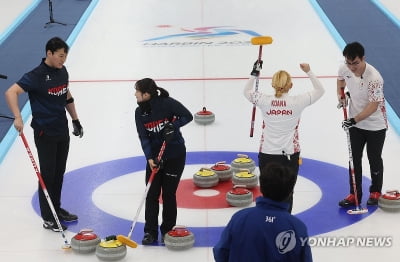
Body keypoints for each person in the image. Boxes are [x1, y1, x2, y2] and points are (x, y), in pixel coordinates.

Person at [4, 36, 83, 231]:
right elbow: (11, 92)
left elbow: (66, 95)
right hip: (44, 131)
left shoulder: (62, 71)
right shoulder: (37, 75)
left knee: (59, 172)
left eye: (65, 56)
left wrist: (75, 119)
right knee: (47, 174)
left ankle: (56, 208)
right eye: (60, 56)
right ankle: (48, 218)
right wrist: (17, 117)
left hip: (61, 129)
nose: (63, 60)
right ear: (49, 53)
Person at [244, 61, 324, 213]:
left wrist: (254, 73)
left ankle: (267, 224)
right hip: (289, 155)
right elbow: (320, 90)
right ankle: (284, 226)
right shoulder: (297, 101)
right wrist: (309, 71)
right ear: (291, 85)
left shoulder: (264, 100)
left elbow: (246, 91)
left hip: (267, 154)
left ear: (273, 85)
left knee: (267, 195)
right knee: (287, 194)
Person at [134, 78, 193, 245]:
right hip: (155, 158)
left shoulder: (167, 104)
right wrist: (150, 158)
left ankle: (167, 229)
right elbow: (143, 136)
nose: (135, 94)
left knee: (168, 194)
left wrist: (173, 127)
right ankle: (150, 232)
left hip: (175, 155)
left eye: (137, 91)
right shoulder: (139, 112)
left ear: (146, 94)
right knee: (151, 195)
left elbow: (187, 116)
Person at [213, 162, 312, 262]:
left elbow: (220, 251)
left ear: (261, 187)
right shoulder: (297, 227)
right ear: (291, 192)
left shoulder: (240, 218)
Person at [337, 42, 387, 207]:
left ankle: (375, 191)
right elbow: (340, 81)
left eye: (355, 63)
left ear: (363, 59)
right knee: (354, 160)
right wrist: (341, 95)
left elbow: (374, 106)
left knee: (374, 158)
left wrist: (353, 120)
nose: (352, 67)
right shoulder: (345, 69)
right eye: (349, 63)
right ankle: (354, 194)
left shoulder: (375, 78)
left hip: (375, 126)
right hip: (356, 126)